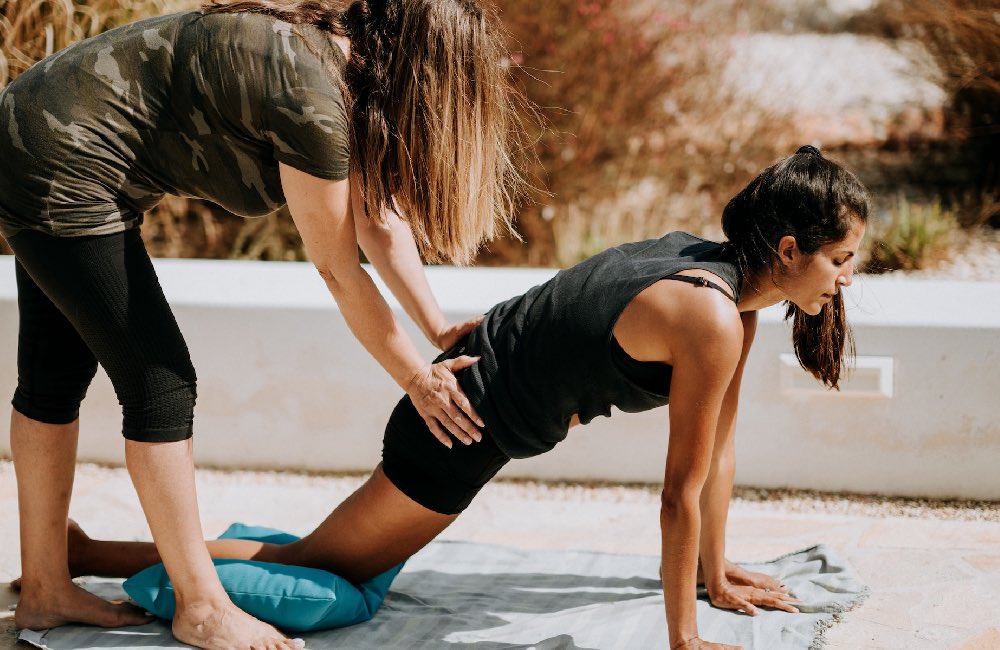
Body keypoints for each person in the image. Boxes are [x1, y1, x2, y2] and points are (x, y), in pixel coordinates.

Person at [51, 147, 869, 649]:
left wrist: (714, 573)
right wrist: (683, 637)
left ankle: (96, 553)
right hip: (458, 426)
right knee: (317, 569)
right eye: (840, 259)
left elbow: (717, 454)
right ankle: (86, 556)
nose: (845, 279)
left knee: (326, 556)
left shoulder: (721, 284)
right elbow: (677, 493)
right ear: (790, 249)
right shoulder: (712, 316)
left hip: (473, 401)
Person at [0, 0, 523, 647]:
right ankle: (201, 606)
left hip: (43, 133)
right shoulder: (312, 94)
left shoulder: (340, 70)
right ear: (426, 67)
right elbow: (339, 269)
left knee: (54, 377)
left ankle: (46, 590)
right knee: (160, 383)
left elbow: (378, 221)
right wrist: (418, 378)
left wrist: (438, 329)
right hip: (59, 155)